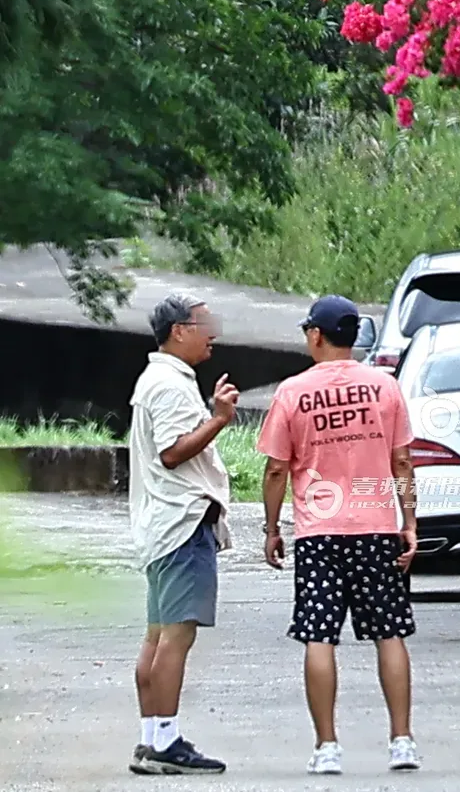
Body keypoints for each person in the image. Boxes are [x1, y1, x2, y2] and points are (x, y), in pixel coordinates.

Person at [257, 294, 421, 776]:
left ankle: (327, 746)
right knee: (389, 632)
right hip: (375, 528)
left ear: (315, 335)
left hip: (319, 532)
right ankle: (402, 740)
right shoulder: (384, 387)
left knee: (318, 635)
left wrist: (271, 528)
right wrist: (408, 522)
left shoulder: (293, 392)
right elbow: (403, 461)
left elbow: (274, 469)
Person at [127, 293, 239, 775]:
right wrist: (218, 418)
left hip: (162, 522)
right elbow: (173, 453)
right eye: (203, 323)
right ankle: (165, 743)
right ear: (179, 330)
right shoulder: (170, 385)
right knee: (176, 636)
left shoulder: (158, 378)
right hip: (182, 521)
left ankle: (151, 735)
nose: (212, 331)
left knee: (157, 637)